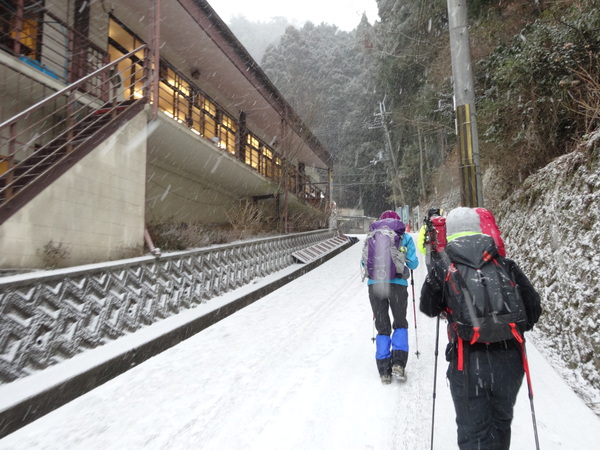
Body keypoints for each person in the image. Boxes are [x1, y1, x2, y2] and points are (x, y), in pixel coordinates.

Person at [420, 207, 541, 449]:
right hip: (510, 360)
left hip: (468, 361)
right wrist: (502, 327)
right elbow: (533, 308)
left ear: (449, 233)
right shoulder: (504, 263)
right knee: (500, 425)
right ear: (480, 229)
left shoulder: (443, 266)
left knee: (474, 433)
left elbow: (428, 307)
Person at [362, 210, 419, 384]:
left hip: (375, 285)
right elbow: (414, 263)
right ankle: (399, 364)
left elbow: (364, 263)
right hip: (398, 285)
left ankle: (384, 371)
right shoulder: (404, 236)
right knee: (400, 323)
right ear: (398, 222)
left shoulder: (372, 236)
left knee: (382, 326)